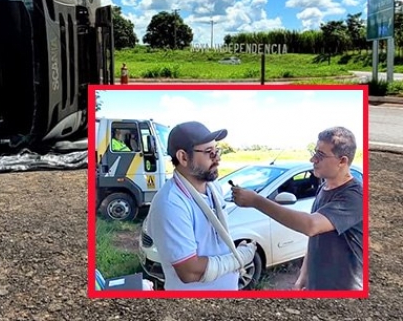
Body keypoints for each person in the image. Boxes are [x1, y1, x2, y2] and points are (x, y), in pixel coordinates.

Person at [231, 126, 363, 291]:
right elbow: (315, 239)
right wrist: (303, 276)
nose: (313, 160)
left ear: (342, 161)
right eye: (314, 152)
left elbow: (310, 226)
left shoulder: (355, 196)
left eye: (320, 155)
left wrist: (256, 201)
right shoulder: (324, 188)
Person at [146, 121, 256, 290]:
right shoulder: (170, 204)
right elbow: (189, 272)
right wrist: (240, 258)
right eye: (209, 153)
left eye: (217, 151)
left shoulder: (213, 187)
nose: (217, 159)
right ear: (183, 157)